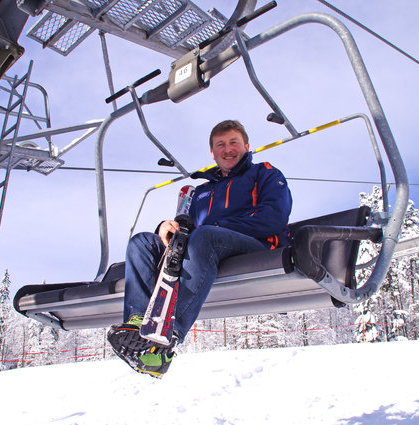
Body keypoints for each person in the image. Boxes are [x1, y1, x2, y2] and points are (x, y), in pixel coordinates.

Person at [107, 120, 292, 378]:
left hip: (254, 247)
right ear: (213, 153)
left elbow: (273, 217)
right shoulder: (202, 191)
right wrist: (166, 228)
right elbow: (186, 226)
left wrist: (215, 226)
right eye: (220, 145)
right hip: (203, 249)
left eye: (233, 143)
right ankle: (139, 324)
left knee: (205, 235)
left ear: (247, 146)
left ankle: (169, 331)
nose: (228, 150)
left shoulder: (265, 174)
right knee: (141, 242)